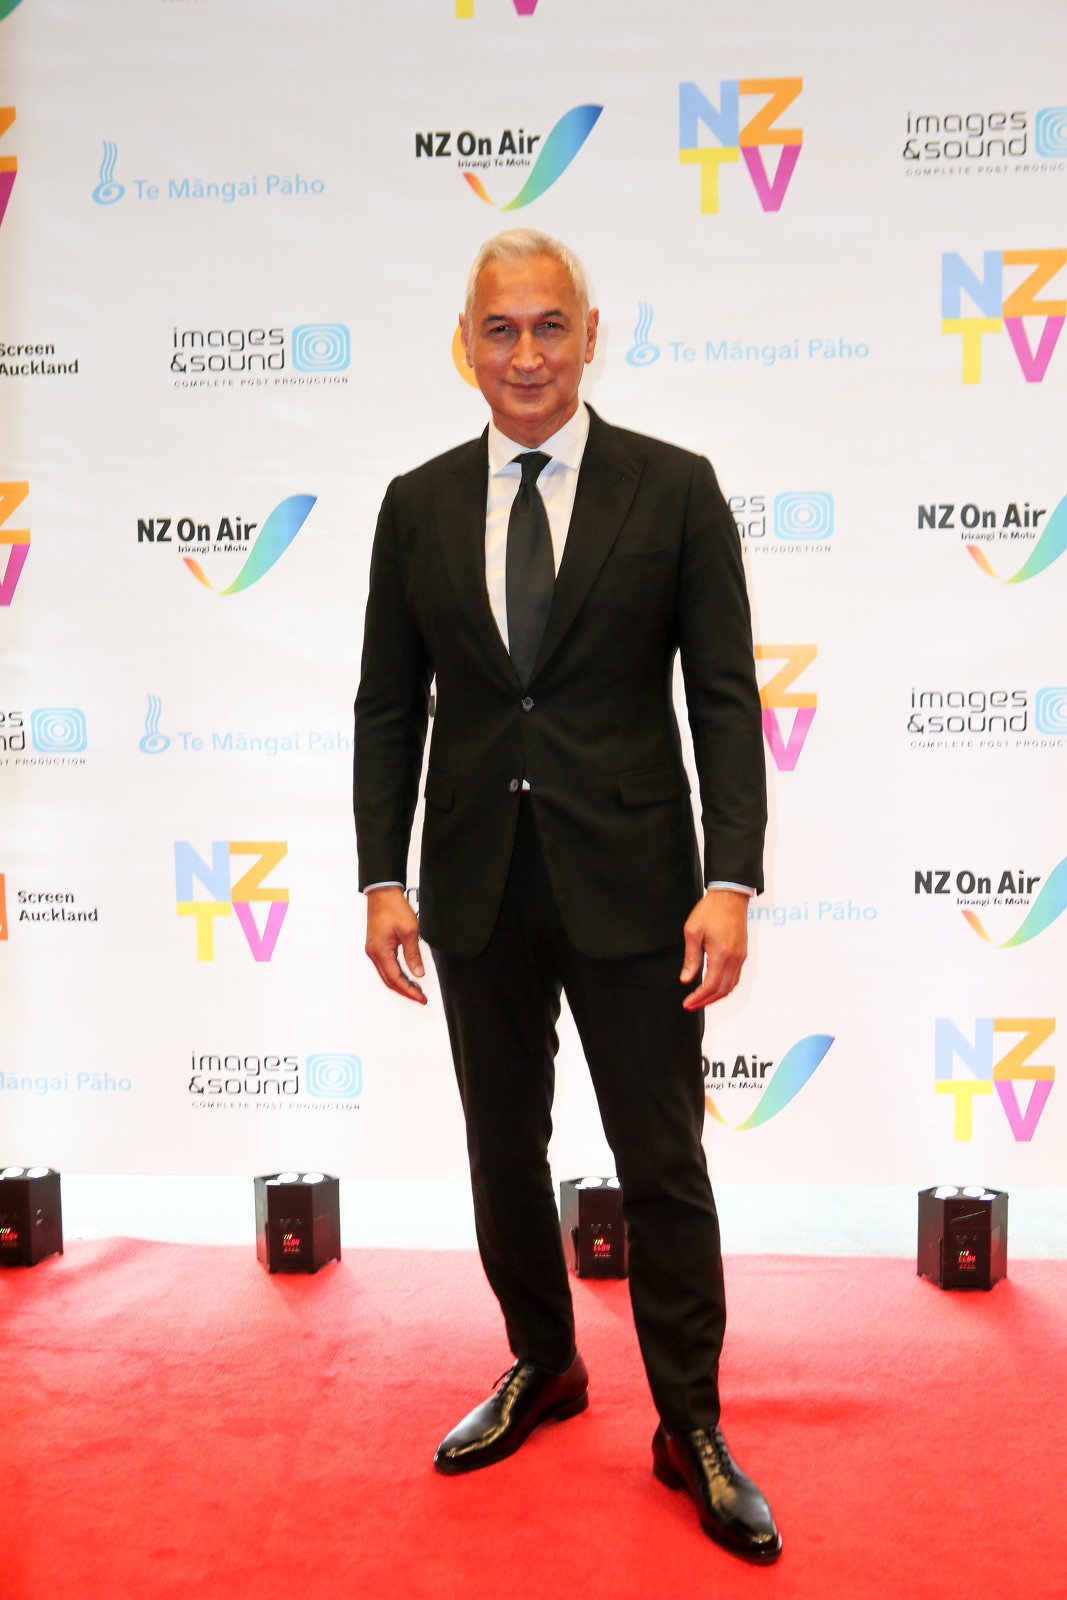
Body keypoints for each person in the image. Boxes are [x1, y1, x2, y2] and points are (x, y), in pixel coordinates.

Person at [353, 229, 780, 1562]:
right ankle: (544, 1361)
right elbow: (387, 707)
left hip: (639, 886)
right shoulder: (416, 504)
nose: (526, 355)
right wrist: (381, 874)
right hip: (476, 885)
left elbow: (725, 699)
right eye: (502, 329)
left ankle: (691, 1423)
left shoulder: (675, 488)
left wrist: (730, 878)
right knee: (500, 1148)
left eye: (550, 327)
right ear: (464, 344)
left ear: (593, 335)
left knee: (663, 1165)